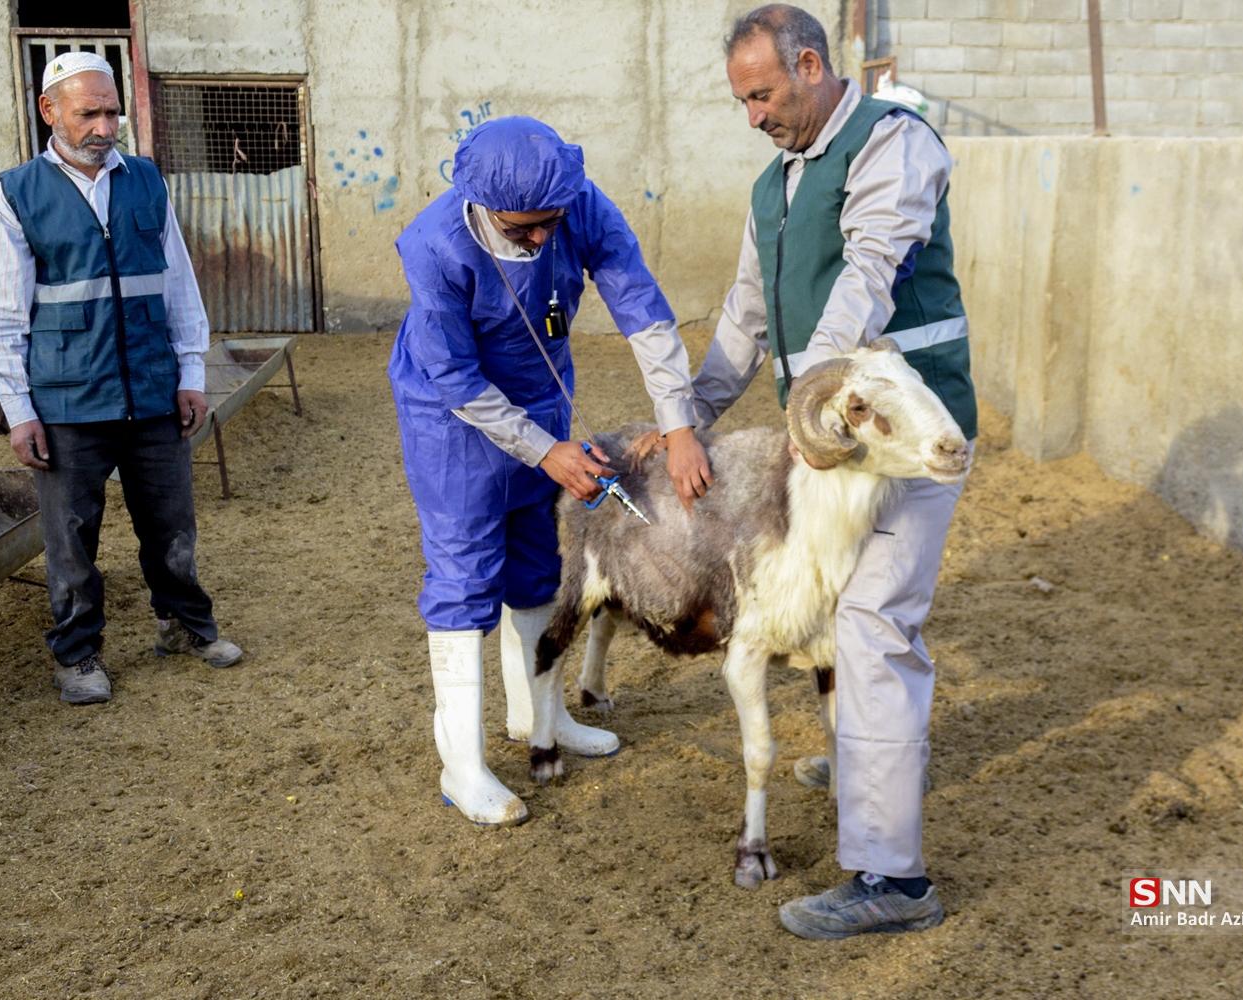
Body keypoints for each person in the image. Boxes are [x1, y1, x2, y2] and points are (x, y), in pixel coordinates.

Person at [639, 5, 978, 936]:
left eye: (762, 94)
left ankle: (893, 881)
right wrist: (685, 421)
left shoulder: (892, 144)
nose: (752, 114)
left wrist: (821, 401)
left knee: (872, 627)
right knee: (841, 618)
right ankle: (866, 759)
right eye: (741, 100)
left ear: (811, 65)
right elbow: (746, 321)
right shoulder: (773, 187)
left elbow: (869, 271)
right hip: (833, 448)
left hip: (894, 444)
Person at [388, 116, 712, 827]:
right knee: (465, 578)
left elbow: (643, 313)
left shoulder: (579, 204)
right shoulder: (436, 246)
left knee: (539, 566)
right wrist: (545, 451)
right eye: (525, 227)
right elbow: (456, 377)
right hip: (454, 422)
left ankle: (542, 715)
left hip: (539, 397)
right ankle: (463, 766)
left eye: (551, 223)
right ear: (480, 203)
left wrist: (679, 423)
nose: (543, 238)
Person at [0, 52, 243, 706]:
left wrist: (190, 373)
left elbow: (178, 284)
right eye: (88, 113)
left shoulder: (146, 181)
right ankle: (77, 654)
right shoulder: (13, 197)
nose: (105, 125)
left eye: (112, 110)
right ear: (50, 112)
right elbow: (3, 315)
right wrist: (20, 412)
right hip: (68, 399)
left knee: (172, 524)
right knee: (71, 540)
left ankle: (183, 625)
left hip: (153, 388)